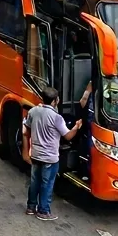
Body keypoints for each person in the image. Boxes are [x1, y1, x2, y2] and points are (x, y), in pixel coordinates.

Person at [23, 87, 83, 221]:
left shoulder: (33, 111)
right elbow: (67, 136)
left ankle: (31, 207)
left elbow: (27, 128)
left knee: (34, 181)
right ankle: (43, 211)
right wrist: (76, 127)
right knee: (47, 184)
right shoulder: (57, 118)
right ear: (55, 101)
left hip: (36, 154)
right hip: (50, 157)